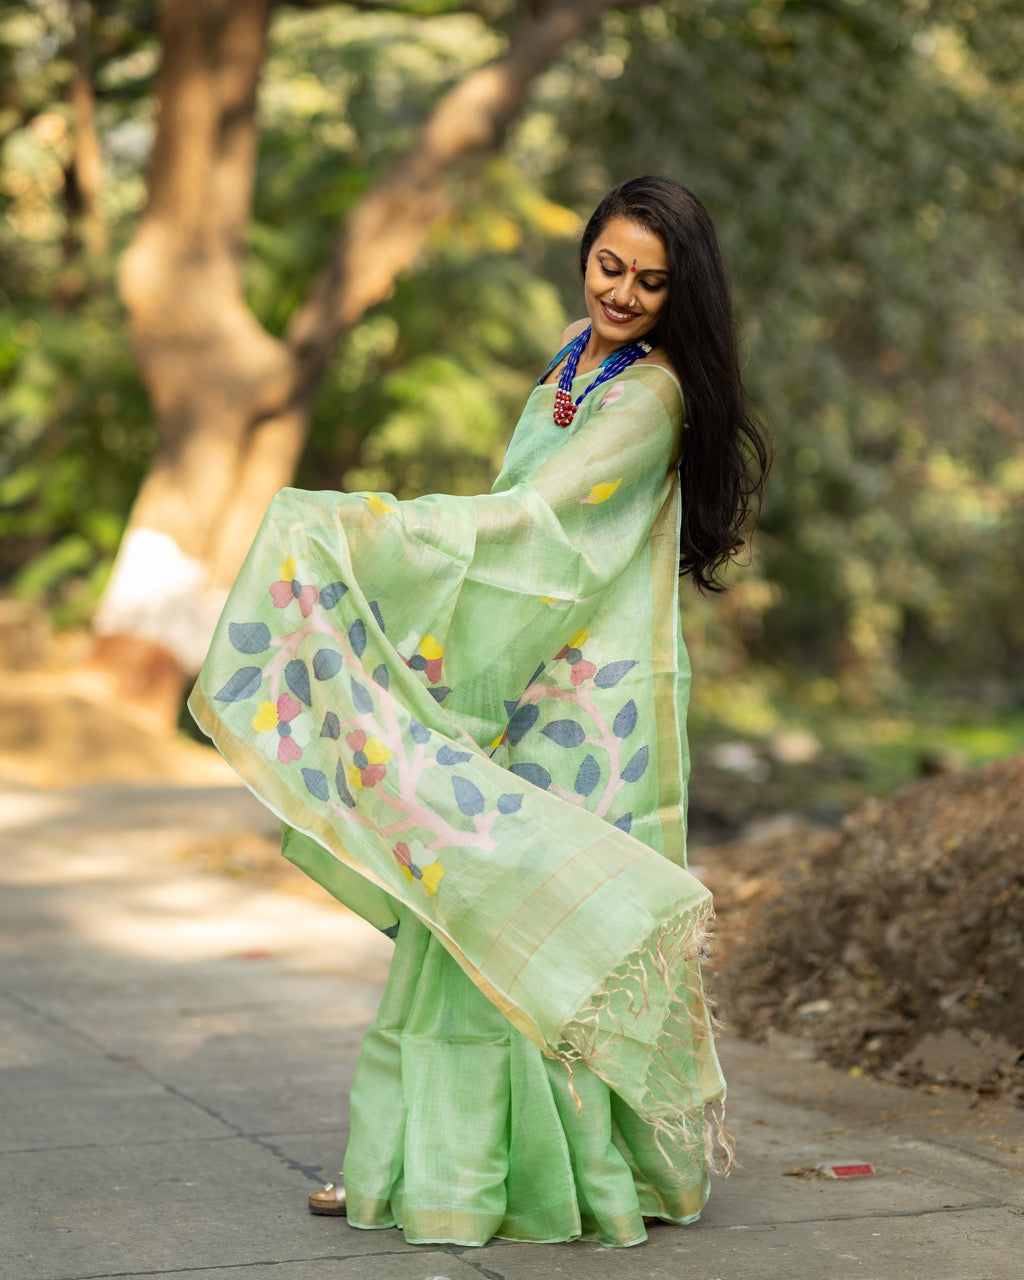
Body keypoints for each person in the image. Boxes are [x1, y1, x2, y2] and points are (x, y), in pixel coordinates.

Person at [189, 174, 769, 1248]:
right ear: (586, 251)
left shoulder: (652, 395)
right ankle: (422, 1162)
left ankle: (542, 1171)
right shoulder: (573, 355)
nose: (623, 293)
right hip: (521, 677)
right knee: (466, 920)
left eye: (651, 280)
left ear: (681, 291)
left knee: (528, 925)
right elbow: (521, 522)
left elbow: (540, 527)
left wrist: (377, 532)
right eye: (609, 265)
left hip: (593, 709)